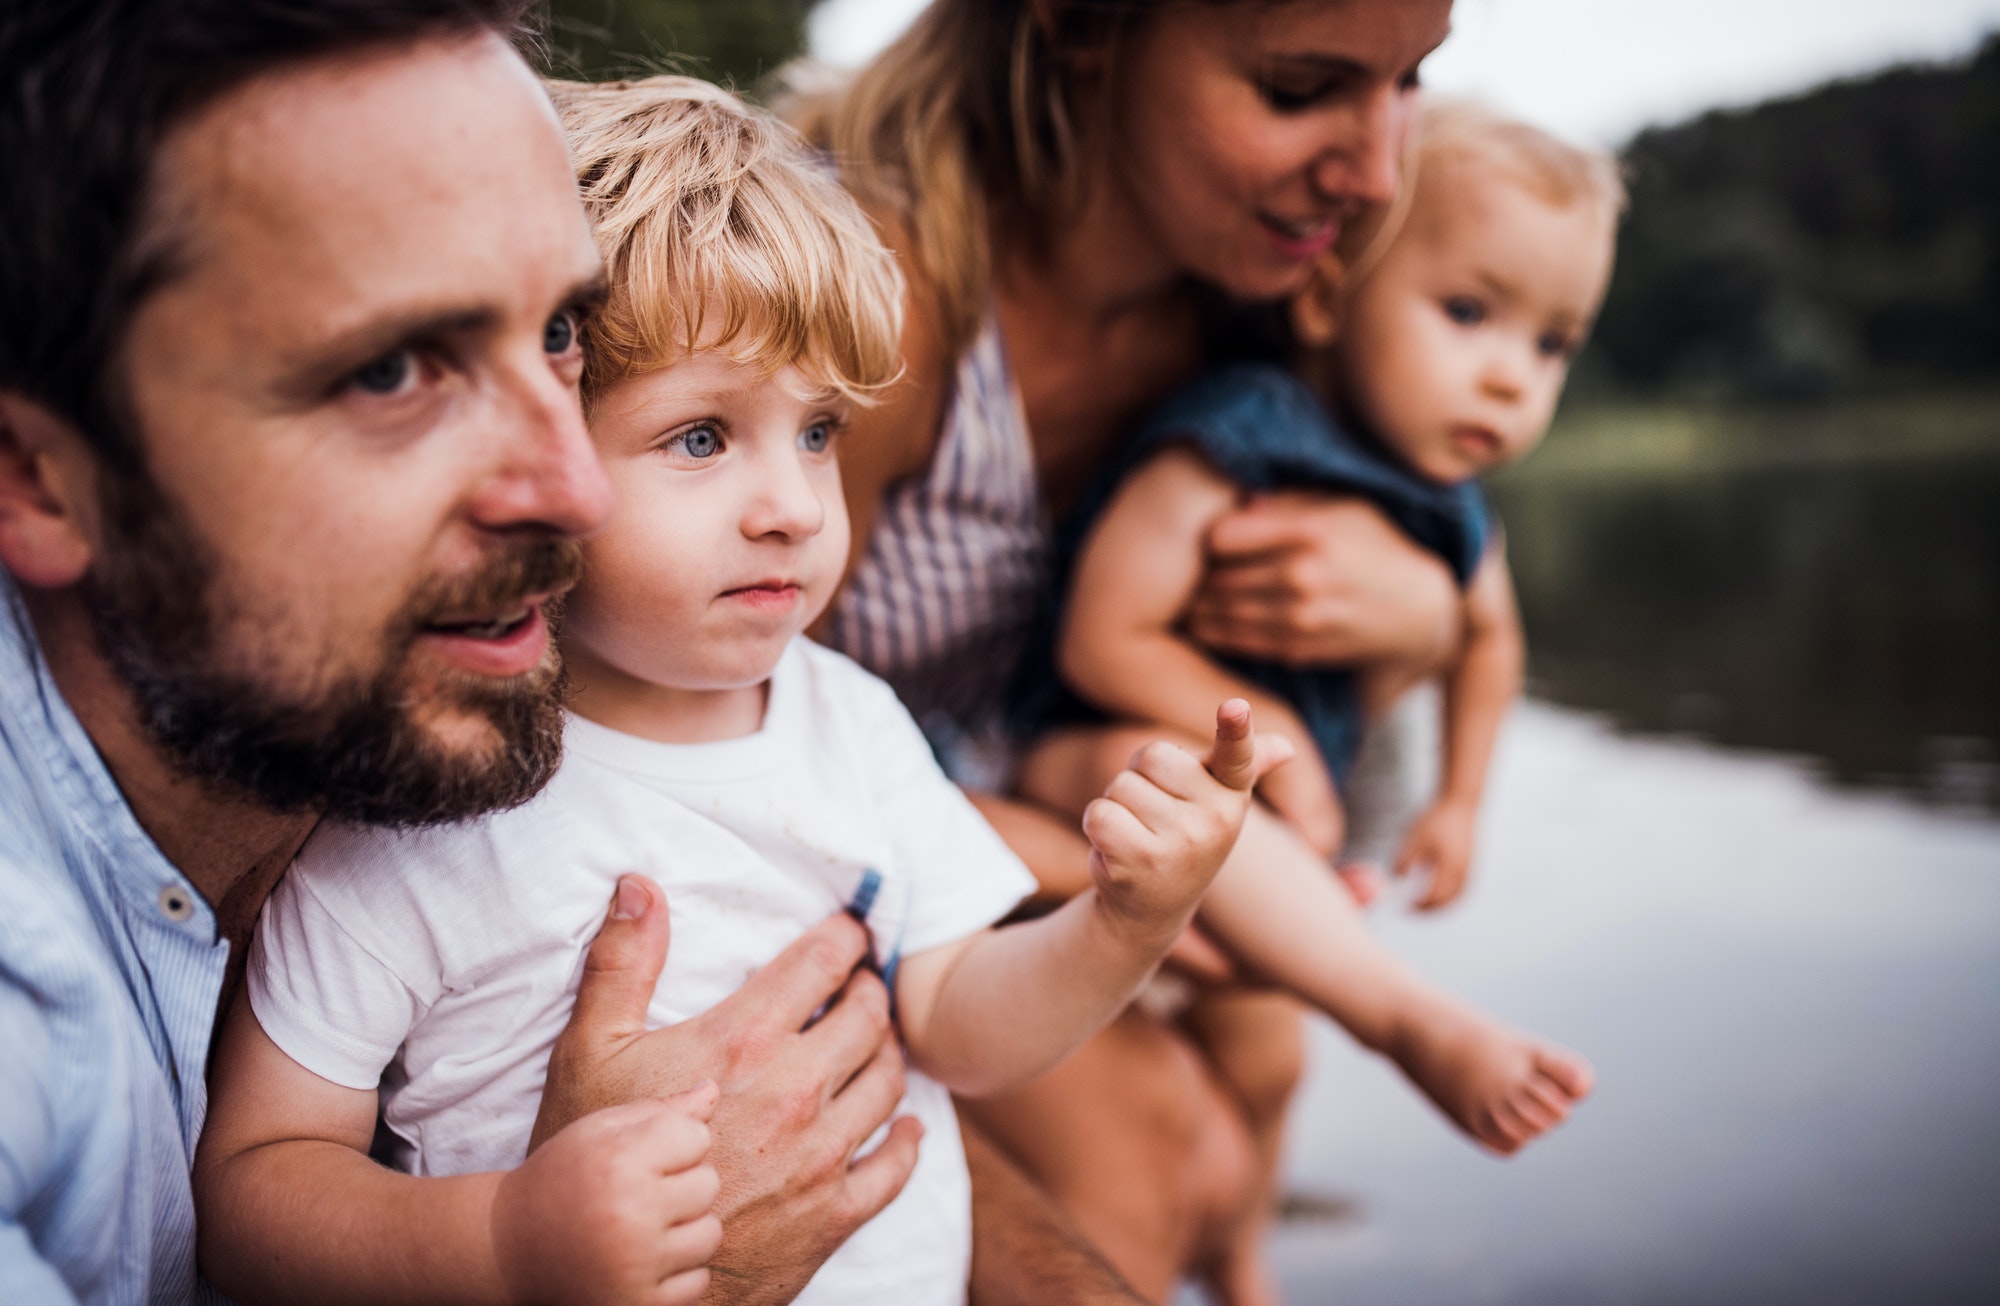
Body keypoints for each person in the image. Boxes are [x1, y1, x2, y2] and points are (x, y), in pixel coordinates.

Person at [0, 5, 1144, 1302]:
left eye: (558, 335)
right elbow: (270, 1179)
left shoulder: (734, 714)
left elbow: (926, 1029)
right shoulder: (38, 1028)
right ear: (45, 479)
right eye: (389, 371)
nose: (572, 487)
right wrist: (515, 1247)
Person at [787, 2, 1471, 1299]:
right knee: (1155, 1159)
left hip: (1097, 853)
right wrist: (1054, 856)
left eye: (1410, 82)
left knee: (1248, 1104)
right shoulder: (882, 287)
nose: (1377, 169)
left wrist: (1418, 619)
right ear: (1086, 24)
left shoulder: (1267, 315)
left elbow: (1356, 793)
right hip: (846, 875)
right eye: (1302, 86)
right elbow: (726, 741)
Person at [1013, 94, 1623, 1151]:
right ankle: (1406, 1020)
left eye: (1552, 344)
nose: (1508, 375)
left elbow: (1489, 642)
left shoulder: (1453, 504)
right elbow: (1101, 639)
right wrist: (1283, 762)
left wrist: (1459, 802)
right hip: (1088, 771)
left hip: (1269, 835)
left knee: (1266, 1062)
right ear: (1330, 293)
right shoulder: (1234, 440)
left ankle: (1247, 1259)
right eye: (1469, 314)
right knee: (1151, 763)